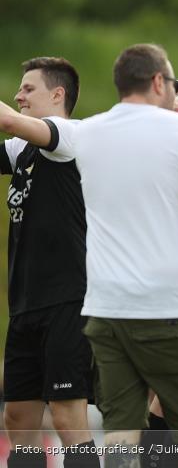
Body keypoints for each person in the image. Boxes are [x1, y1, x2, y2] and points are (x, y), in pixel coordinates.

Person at [48, 43, 178, 468]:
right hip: (172, 306)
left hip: (106, 309)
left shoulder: (88, 131)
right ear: (159, 81)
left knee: (122, 434)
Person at [0, 57, 99, 468]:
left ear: (58, 95)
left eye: (28, 89)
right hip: (25, 302)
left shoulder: (70, 136)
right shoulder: (22, 149)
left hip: (67, 300)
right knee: (18, 419)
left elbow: (8, 122)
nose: (19, 96)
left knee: (67, 417)